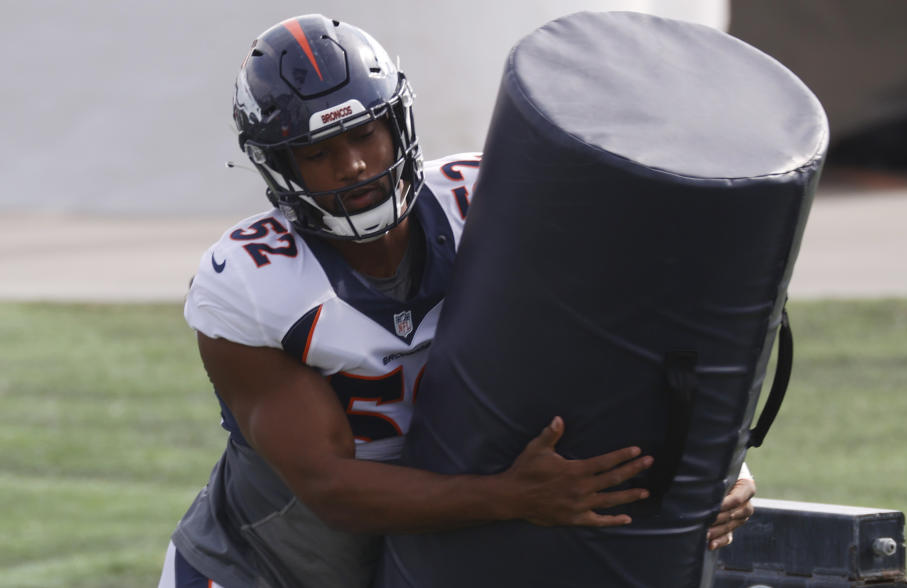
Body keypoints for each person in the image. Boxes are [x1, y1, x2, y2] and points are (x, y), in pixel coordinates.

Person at [158, 14, 753, 588]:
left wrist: (719, 465)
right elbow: (332, 487)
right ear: (280, 164)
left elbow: (634, 330)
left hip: (447, 549)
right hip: (267, 569)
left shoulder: (493, 201)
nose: (355, 164)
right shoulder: (248, 282)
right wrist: (515, 496)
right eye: (319, 152)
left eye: (364, 132)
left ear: (399, 121)